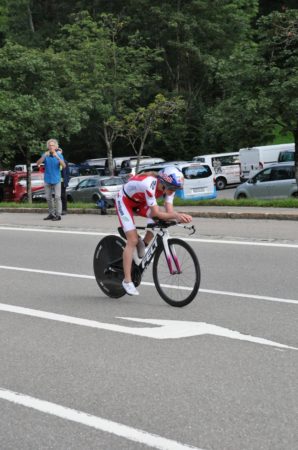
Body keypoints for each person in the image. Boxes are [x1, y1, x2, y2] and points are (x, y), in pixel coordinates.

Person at [115, 166, 192, 296]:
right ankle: (127, 281)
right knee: (132, 239)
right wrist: (177, 216)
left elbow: (169, 210)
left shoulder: (169, 186)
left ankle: (143, 245)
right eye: (172, 189)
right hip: (124, 201)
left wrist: (177, 218)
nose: (173, 191)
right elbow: (157, 212)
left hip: (140, 202)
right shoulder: (149, 184)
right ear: (163, 183)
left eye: (176, 189)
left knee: (159, 221)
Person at [36, 139, 66, 221]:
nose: (51, 147)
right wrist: (43, 156)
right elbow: (38, 163)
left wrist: (57, 157)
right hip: (47, 179)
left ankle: (58, 215)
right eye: (49, 145)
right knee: (48, 198)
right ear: (48, 147)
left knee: (57, 197)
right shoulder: (45, 155)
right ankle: (51, 214)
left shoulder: (59, 155)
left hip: (56, 179)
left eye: (52, 145)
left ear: (56, 146)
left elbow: (64, 166)